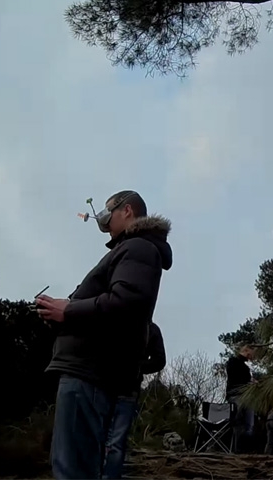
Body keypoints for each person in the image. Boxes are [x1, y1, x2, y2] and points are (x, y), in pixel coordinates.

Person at [35, 190, 172, 480]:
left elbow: (125, 303)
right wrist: (61, 314)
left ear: (128, 211)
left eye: (108, 214)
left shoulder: (138, 249)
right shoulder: (132, 250)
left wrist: (69, 310)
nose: (103, 221)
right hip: (92, 375)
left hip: (90, 376)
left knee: (73, 471)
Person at [102, 321, 166, 479]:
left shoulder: (150, 328)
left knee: (116, 442)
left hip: (127, 390)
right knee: (96, 437)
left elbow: (159, 360)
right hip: (100, 387)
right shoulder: (111, 320)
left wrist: (137, 367)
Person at [225, 344, 256, 453]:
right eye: (251, 354)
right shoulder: (233, 362)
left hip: (247, 398)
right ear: (246, 351)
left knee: (249, 425)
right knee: (238, 423)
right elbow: (235, 377)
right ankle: (237, 450)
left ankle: (247, 449)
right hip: (236, 396)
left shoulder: (246, 367)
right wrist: (248, 382)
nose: (251, 357)